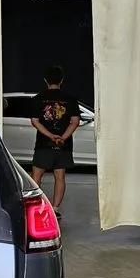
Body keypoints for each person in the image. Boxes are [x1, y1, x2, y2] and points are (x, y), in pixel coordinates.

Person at [30, 65, 81, 218]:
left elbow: (35, 121)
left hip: (43, 144)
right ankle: (55, 208)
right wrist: (62, 137)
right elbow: (75, 122)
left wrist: (50, 136)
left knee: (36, 176)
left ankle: (35, 207)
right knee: (60, 176)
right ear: (62, 80)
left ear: (45, 80)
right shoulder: (70, 99)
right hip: (63, 145)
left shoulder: (38, 98)